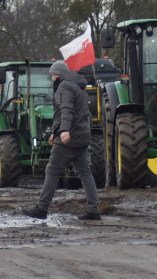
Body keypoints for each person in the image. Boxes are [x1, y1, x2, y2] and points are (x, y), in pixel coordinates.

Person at [23, 60, 101, 221]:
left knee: (52, 171)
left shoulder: (64, 87)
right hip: (82, 136)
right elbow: (72, 113)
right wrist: (56, 131)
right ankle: (93, 210)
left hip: (69, 138)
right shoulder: (78, 88)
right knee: (85, 173)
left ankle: (42, 208)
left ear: (57, 75)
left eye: (52, 76)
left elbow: (67, 110)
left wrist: (64, 130)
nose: (51, 79)